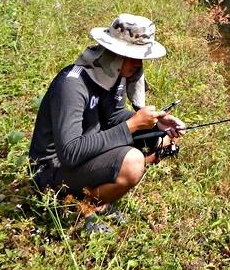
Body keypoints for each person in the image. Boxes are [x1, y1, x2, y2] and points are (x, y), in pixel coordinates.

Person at [29, 13, 185, 234]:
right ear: (114, 54)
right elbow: (70, 152)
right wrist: (132, 125)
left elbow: (113, 118)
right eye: (133, 57)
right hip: (52, 171)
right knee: (132, 163)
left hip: (86, 153)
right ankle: (80, 207)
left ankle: (97, 195)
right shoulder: (72, 86)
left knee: (163, 139)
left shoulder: (115, 76)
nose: (138, 65)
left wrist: (155, 123)